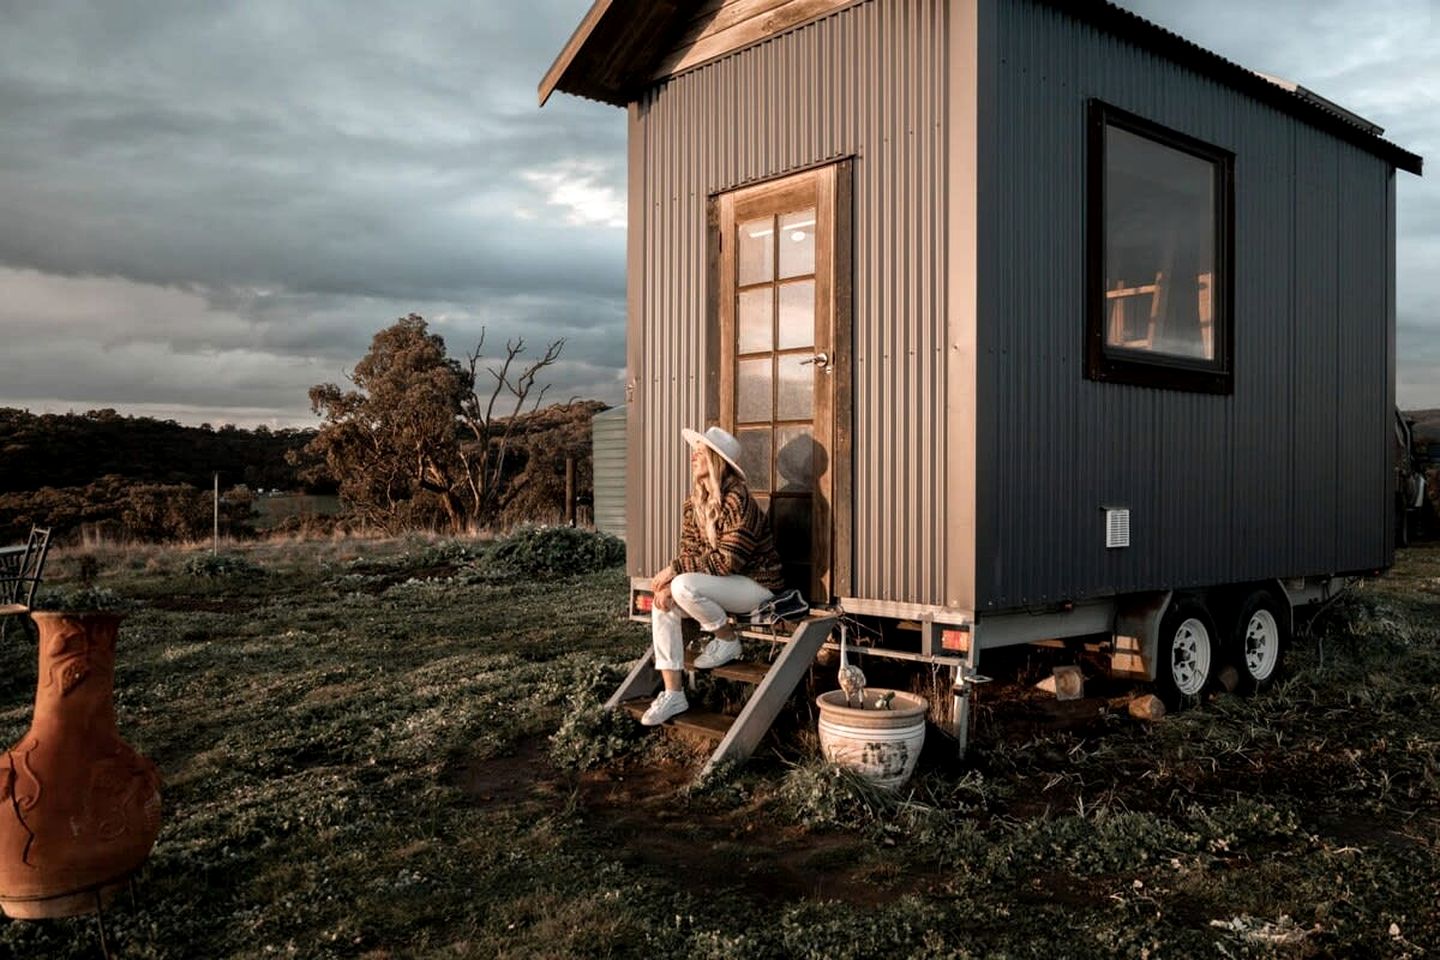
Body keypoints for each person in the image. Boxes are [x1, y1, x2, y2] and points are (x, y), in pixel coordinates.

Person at [641, 425, 785, 726]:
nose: (693, 456)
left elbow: (728, 562)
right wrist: (667, 585)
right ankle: (673, 692)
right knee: (663, 603)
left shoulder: (738, 500)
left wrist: (673, 570)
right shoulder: (694, 503)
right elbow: (690, 550)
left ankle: (726, 639)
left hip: (756, 587)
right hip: (721, 586)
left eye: (701, 452)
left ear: (717, 461)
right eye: (694, 451)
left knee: (681, 584)